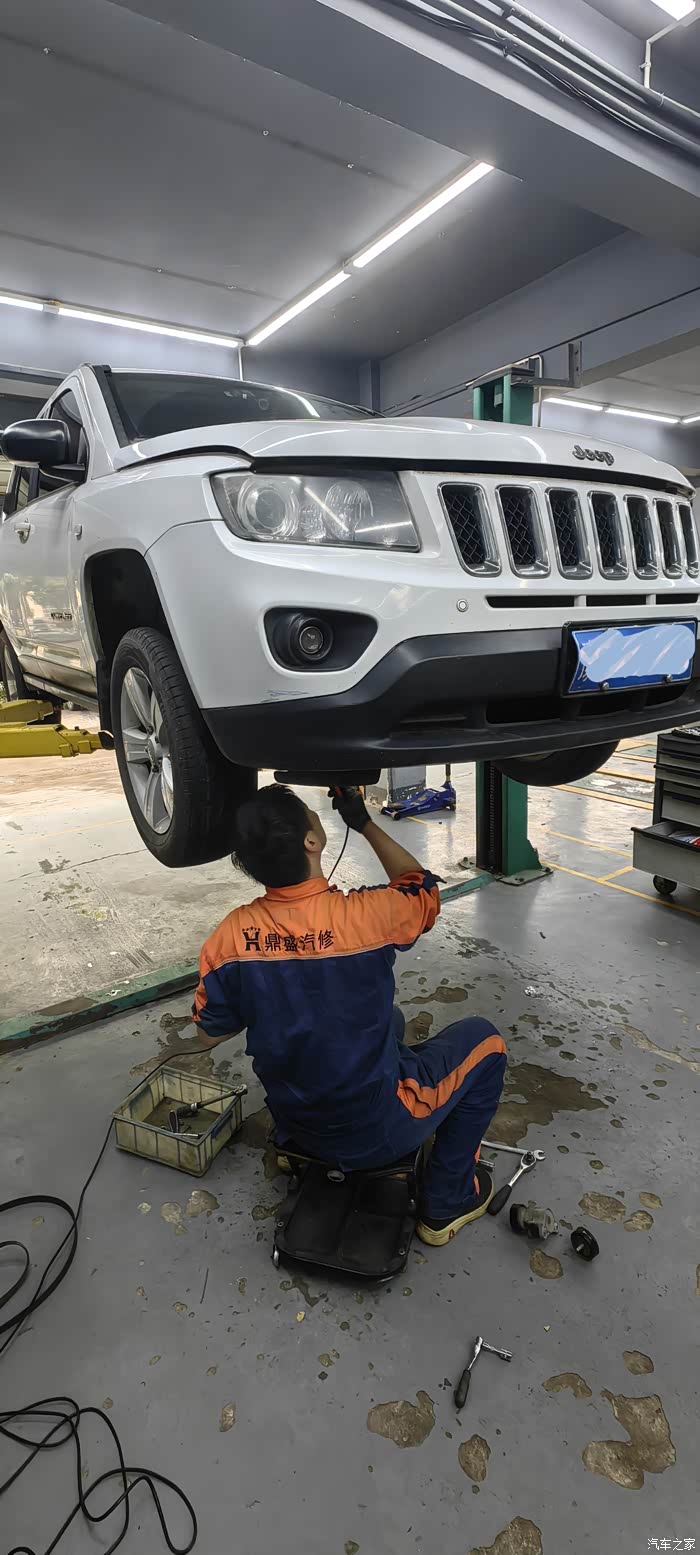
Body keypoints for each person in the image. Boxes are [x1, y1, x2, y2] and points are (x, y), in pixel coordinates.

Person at [193, 785, 507, 1245]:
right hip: (375, 1130)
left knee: (390, 1021)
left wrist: (271, 994)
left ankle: (297, 1148)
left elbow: (208, 1034)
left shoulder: (229, 938)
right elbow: (421, 888)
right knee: (487, 1043)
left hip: (297, 1121)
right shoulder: (370, 915)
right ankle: (447, 1200)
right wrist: (363, 823)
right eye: (311, 813)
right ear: (311, 841)